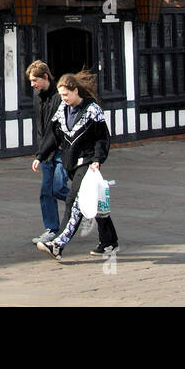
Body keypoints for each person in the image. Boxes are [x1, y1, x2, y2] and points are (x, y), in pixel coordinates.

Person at [32, 70, 119, 260]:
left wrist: (97, 158)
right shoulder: (62, 110)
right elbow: (52, 135)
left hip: (88, 163)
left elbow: (102, 138)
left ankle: (58, 244)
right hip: (71, 163)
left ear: (76, 91)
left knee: (74, 201)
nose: (63, 98)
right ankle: (109, 241)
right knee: (95, 201)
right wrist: (40, 156)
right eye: (61, 95)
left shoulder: (92, 110)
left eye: (66, 94)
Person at [27, 60, 68, 242]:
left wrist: (42, 153)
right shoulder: (37, 95)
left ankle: (84, 206)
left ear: (45, 77)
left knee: (59, 188)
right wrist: (41, 150)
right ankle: (51, 229)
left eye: (35, 80)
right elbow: (40, 126)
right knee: (46, 191)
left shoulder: (60, 98)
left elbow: (57, 128)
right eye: (30, 81)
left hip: (61, 150)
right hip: (45, 151)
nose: (32, 84)